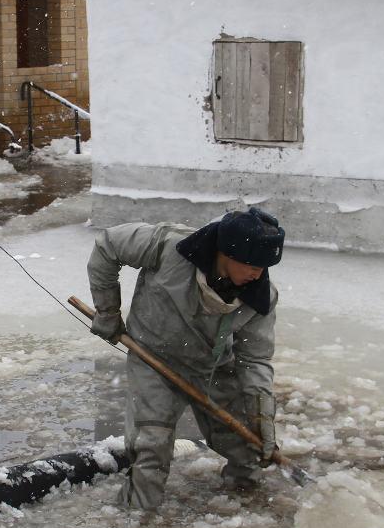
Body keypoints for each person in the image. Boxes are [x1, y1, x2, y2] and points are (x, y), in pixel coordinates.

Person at [87, 208, 284, 510]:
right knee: (150, 446)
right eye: (252, 264)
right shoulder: (168, 246)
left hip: (214, 364)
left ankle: (244, 504)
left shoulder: (261, 296)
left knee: (249, 447)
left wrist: (261, 414)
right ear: (227, 252)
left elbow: (255, 359)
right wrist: (107, 311)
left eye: (266, 265)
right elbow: (108, 245)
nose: (259, 273)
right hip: (154, 358)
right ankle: (139, 522)